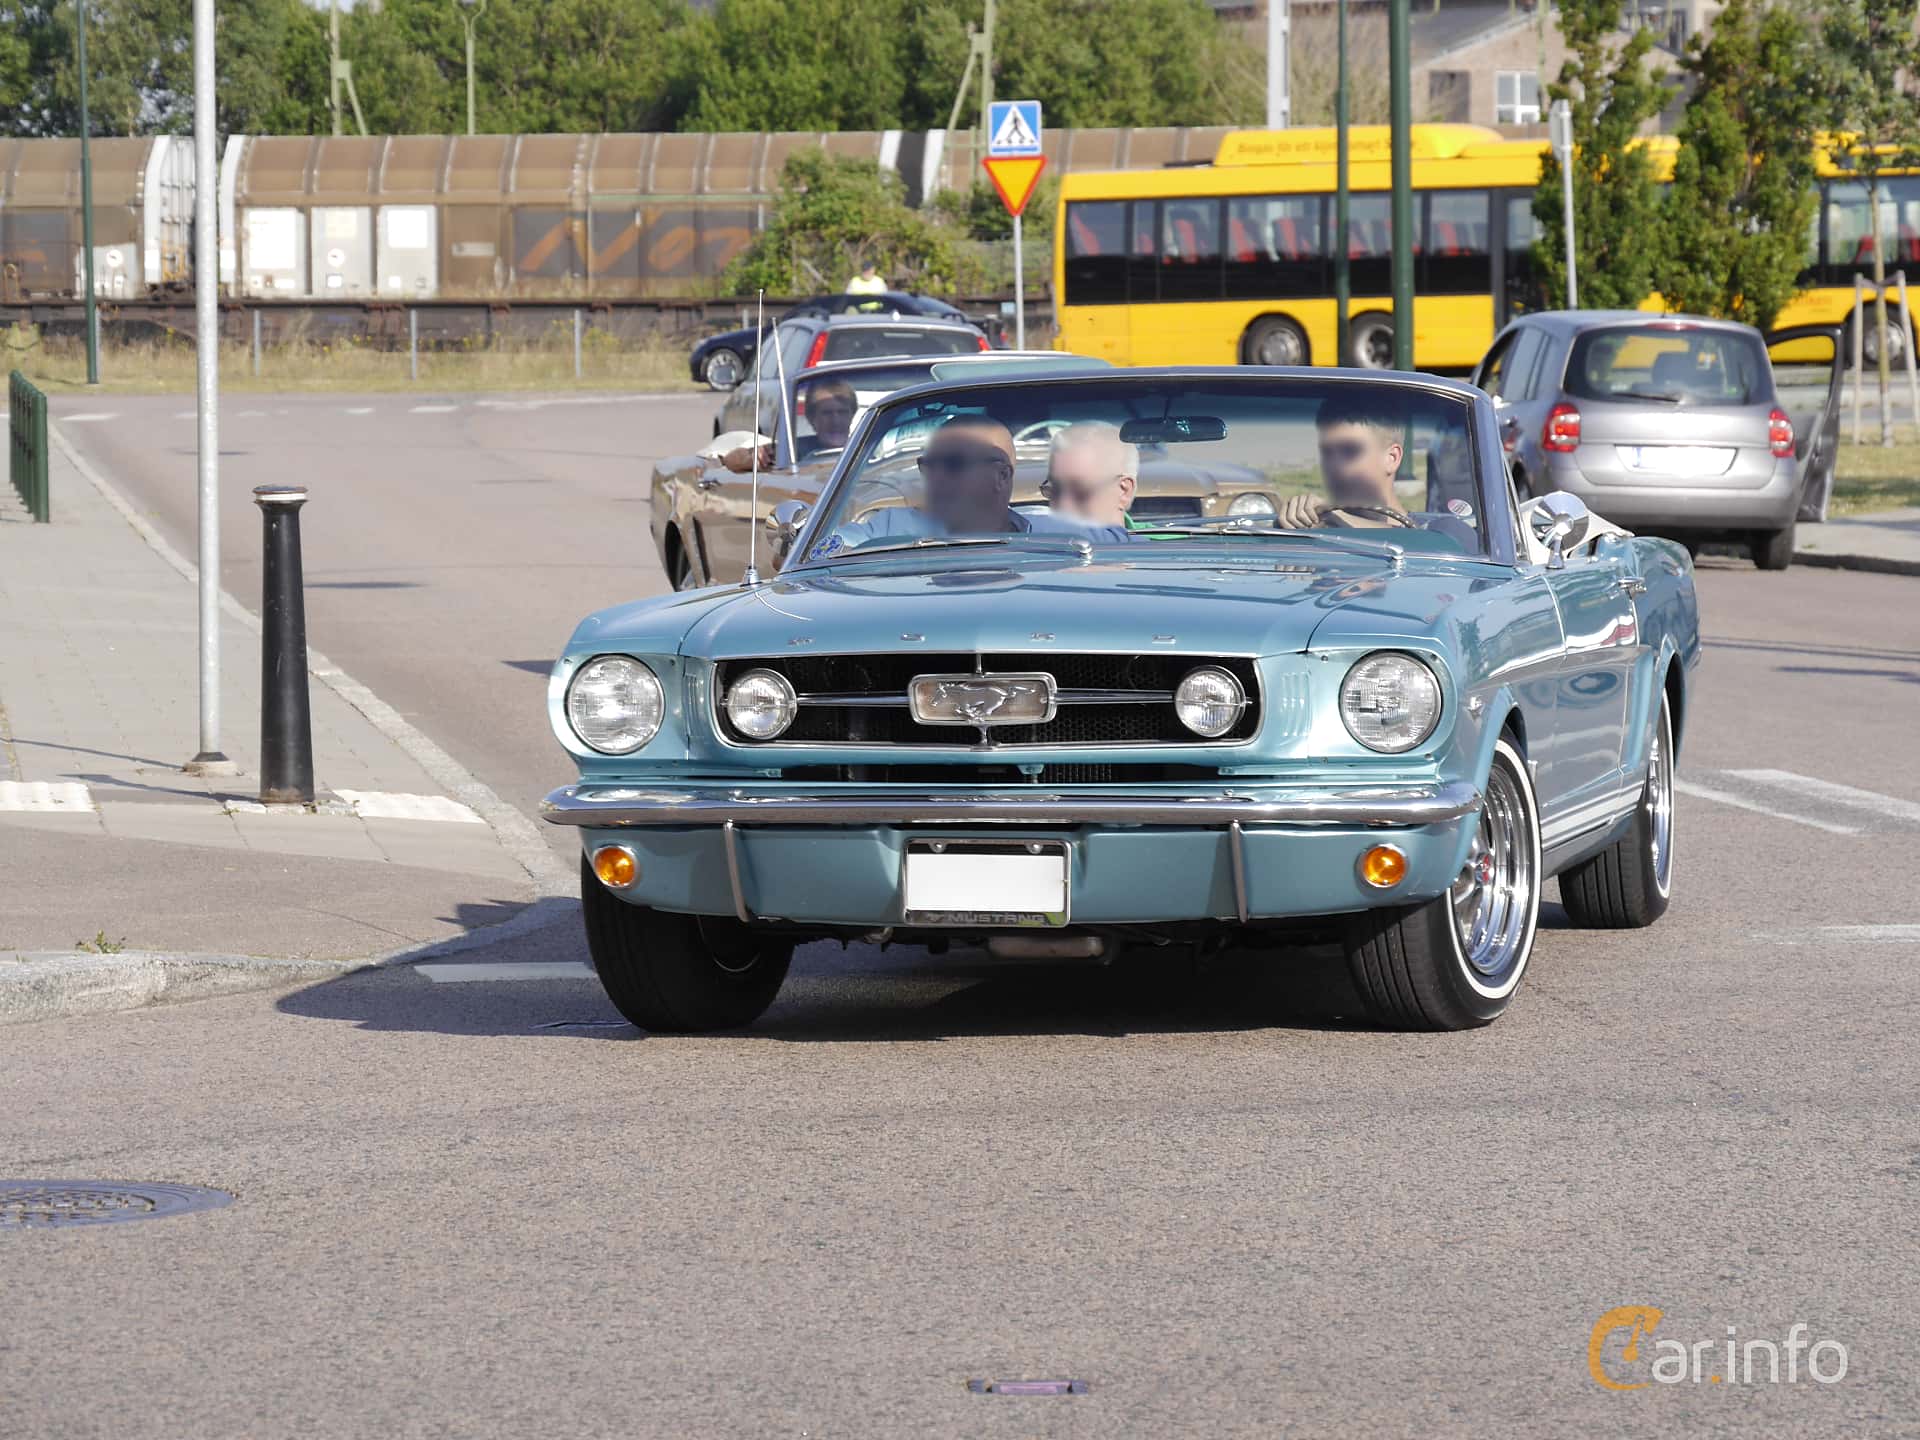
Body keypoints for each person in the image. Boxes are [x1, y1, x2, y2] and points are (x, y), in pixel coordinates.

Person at [806, 415, 1129, 559]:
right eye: (929, 465)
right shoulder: (890, 526)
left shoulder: (1063, 533)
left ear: (1001, 477)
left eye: (954, 465)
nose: (937, 477)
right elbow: (823, 555)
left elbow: (1131, 553)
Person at [1275, 394, 1478, 548]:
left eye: (1350, 451)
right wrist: (1293, 520)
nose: (1334, 465)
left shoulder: (1441, 530)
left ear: (1392, 458)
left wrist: (1338, 519)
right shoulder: (1316, 532)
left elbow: (1453, 543)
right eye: (1327, 452)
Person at [716, 376, 859, 473]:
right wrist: (753, 456)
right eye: (827, 413)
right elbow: (729, 461)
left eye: (842, 412)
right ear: (812, 418)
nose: (835, 420)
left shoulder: (867, 447)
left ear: (852, 415)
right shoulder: (793, 450)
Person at [1042, 422, 1139, 529]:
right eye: (1054, 490)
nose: (1062, 505)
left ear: (1124, 491)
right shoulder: (1037, 538)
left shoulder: (1150, 539)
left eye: (1080, 490)